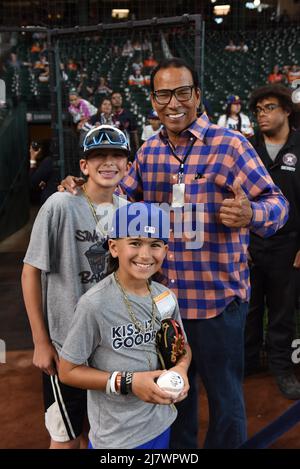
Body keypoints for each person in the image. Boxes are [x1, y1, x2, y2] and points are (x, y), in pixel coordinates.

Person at [59, 58, 289, 449]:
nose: (173, 102)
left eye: (182, 92)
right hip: (162, 307)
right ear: (153, 100)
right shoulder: (148, 153)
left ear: (197, 95)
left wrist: (253, 212)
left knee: (226, 400)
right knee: (173, 398)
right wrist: (84, 186)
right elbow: (120, 201)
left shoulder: (230, 146)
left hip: (217, 303)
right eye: (163, 94)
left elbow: (278, 205)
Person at [21, 125, 130, 449]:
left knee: (99, 432)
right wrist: (40, 342)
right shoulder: (59, 205)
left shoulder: (128, 210)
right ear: (83, 166)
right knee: (65, 435)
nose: (108, 163)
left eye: (117, 156)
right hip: (66, 344)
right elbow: (30, 273)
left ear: (127, 165)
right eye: (99, 156)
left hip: (110, 345)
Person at [58, 202, 192, 449]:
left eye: (154, 245)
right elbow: (67, 371)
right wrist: (128, 382)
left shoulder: (165, 297)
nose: (145, 254)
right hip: (116, 437)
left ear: (165, 249)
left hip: (160, 423)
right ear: (114, 247)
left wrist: (181, 369)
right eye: (135, 243)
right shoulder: (95, 304)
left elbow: (182, 347)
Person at [245, 85, 300, 399]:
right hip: (251, 244)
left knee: (281, 310)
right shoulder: (248, 147)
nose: (262, 115)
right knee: (249, 309)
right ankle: (247, 363)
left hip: (288, 245)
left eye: (268, 107)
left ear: (286, 111)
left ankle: (281, 367)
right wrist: (240, 245)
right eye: (259, 110)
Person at [29, 140, 58, 205]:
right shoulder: (66, 159)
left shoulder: (49, 161)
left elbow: (32, 182)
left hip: (51, 203)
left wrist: (33, 158)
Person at [111, 91, 139, 158]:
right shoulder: (106, 115)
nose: (117, 100)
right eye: (114, 98)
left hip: (125, 148)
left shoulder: (129, 115)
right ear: (111, 100)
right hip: (110, 147)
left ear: (122, 100)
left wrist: (137, 149)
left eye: (119, 98)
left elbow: (134, 133)